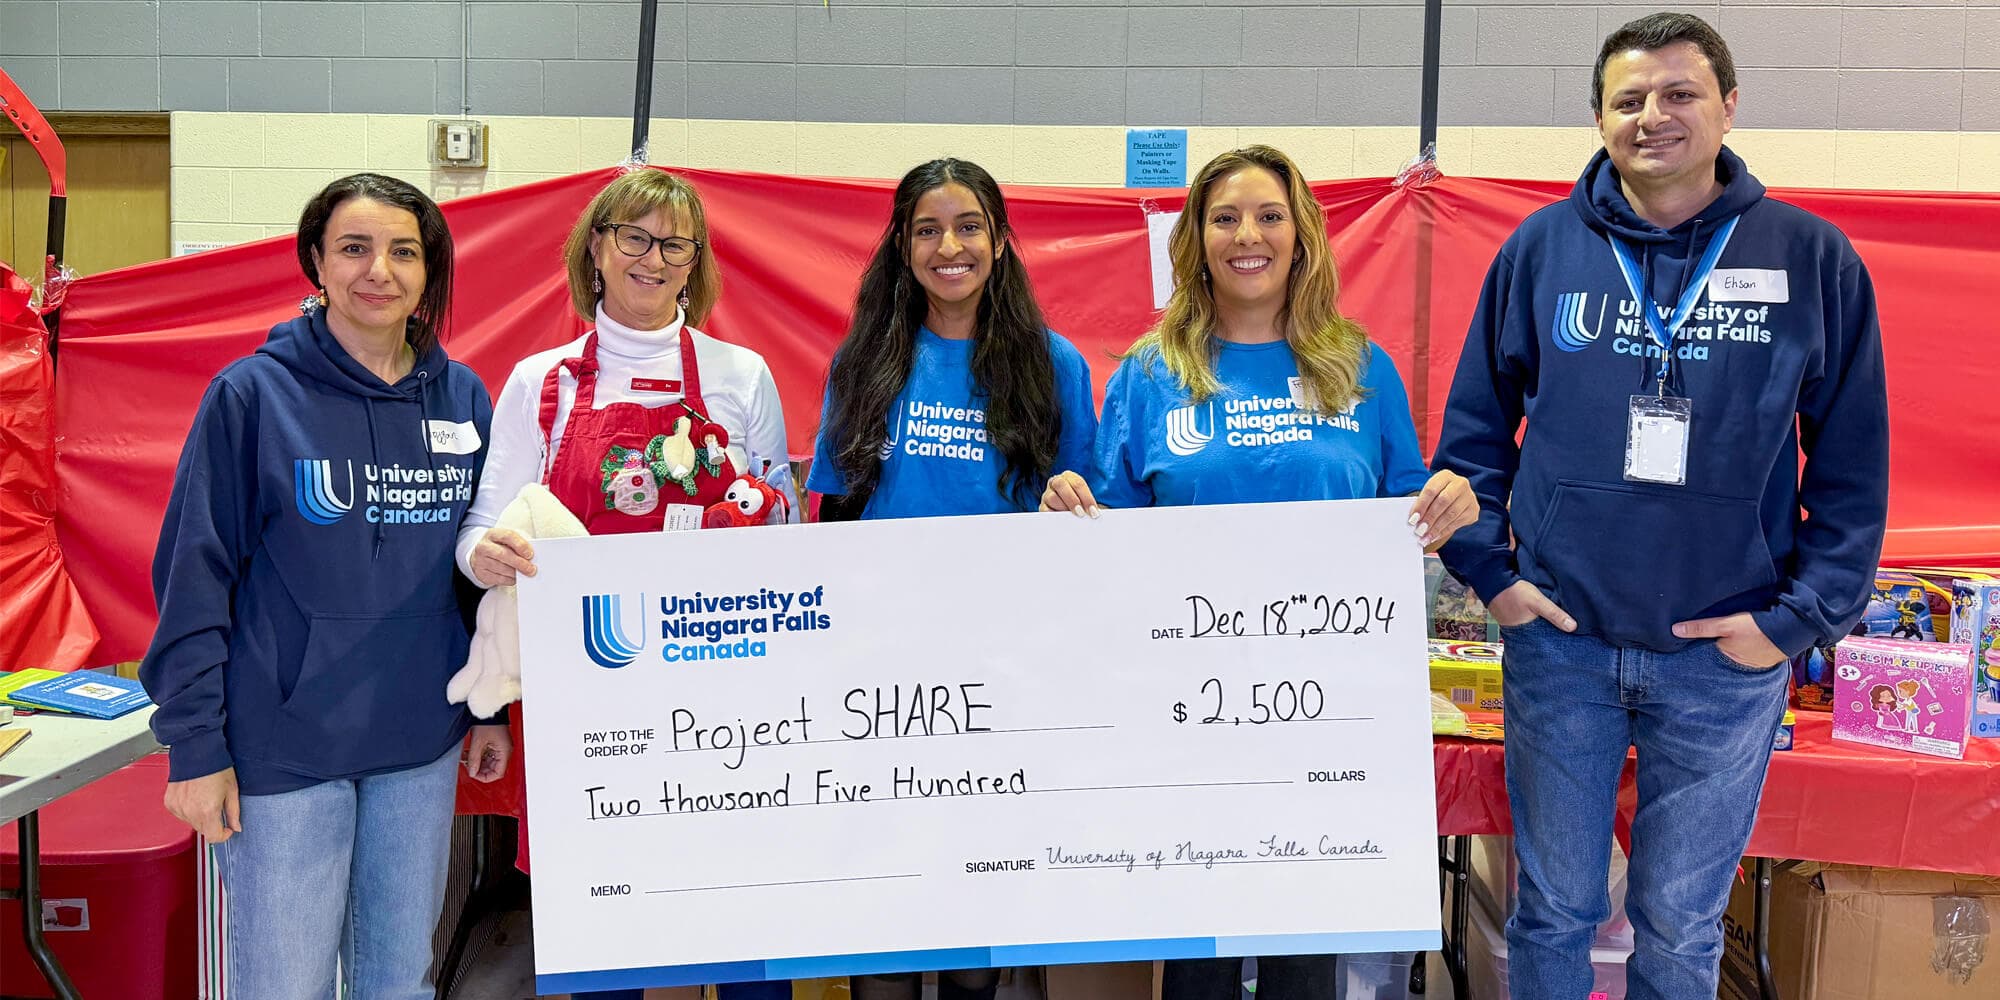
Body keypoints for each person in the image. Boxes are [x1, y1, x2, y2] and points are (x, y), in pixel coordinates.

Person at [1431, 12, 1889, 999]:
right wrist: (1494, 577)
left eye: (1678, 93)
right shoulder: (1539, 250)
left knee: (1678, 923)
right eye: (1626, 99)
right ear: (1597, 118)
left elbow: (1852, 462)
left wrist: (1794, 624)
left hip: (1721, 659)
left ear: (1727, 105)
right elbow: (1471, 434)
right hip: (1562, 646)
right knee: (1550, 907)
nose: (1652, 116)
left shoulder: (1810, 258)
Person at [1039, 145, 1475, 1000]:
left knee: (1304, 962)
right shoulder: (1150, 376)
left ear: (1301, 233)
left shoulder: (1359, 368)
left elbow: (1404, 516)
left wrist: (1446, 507)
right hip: (1189, 715)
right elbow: (1113, 540)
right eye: (1226, 217)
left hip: (1326, 714)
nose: (1249, 235)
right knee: (1198, 960)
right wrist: (1072, 511)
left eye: (1269, 215)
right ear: (1196, 240)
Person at [142, 173, 510, 1000]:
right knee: (283, 984)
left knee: (397, 983)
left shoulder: (465, 399)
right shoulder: (251, 396)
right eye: (354, 248)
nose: (378, 269)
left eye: (403, 252)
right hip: (284, 750)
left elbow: (478, 566)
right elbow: (194, 576)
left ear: (429, 273)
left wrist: (488, 707)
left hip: (421, 743)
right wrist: (195, 748)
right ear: (316, 262)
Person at [457, 167, 791, 1000]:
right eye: (634, 236)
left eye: (673, 242)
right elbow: (478, 531)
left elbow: (784, 533)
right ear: (597, 247)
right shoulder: (543, 383)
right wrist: (485, 556)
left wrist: (758, 523)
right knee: (605, 925)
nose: (653, 257)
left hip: (722, 693)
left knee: (744, 920)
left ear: (695, 261)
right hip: (586, 691)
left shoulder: (742, 376)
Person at [806, 157, 1098, 999]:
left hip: (1003, 675)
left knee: (977, 929)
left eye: (968, 226)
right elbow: (834, 519)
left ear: (1000, 241)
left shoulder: (1056, 365)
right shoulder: (864, 360)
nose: (949, 246)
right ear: (902, 247)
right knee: (886, 925)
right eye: (927, 230)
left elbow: (1077, 519)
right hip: (882, 674)